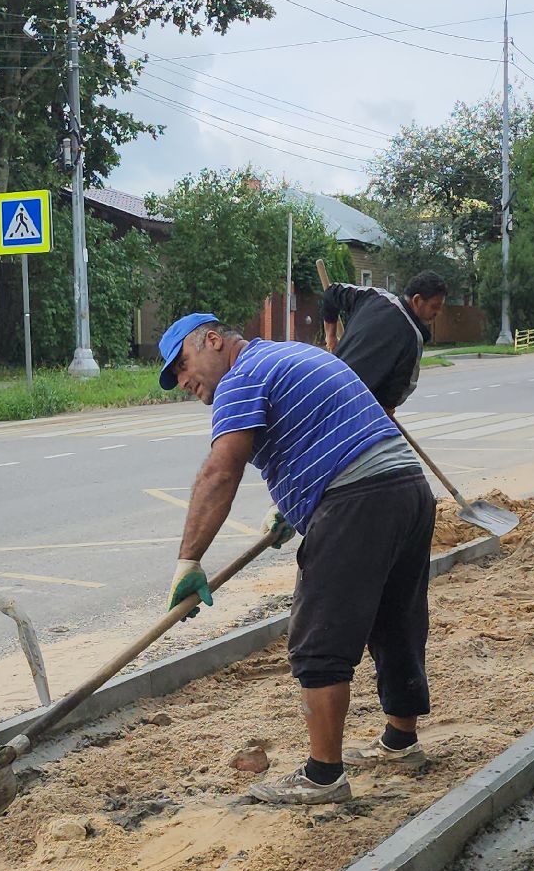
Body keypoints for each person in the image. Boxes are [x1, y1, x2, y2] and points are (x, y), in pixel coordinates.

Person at [158, 312, 437, 805]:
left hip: (356, 497)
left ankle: (323, 777)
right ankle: (400, 741)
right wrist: (293, 505)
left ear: (214, 341)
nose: (182, 381)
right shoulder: (288, 353)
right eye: (175, 377)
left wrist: (189, 560)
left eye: (182, 364)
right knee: (394, 621)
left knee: (318, 638)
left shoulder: (240, 378)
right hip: (406, 488)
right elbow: (322, 429)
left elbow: (220, 473)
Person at [320, 271, 447, 413]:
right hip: (356, 410)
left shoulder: (374, 296)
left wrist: (330, 337)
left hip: (326, 387)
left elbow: (331, 292)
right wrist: (387, 409)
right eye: (435, 307)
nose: (438, 313)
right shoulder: (412, 338)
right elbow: (400, 389)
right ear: (417, 300)